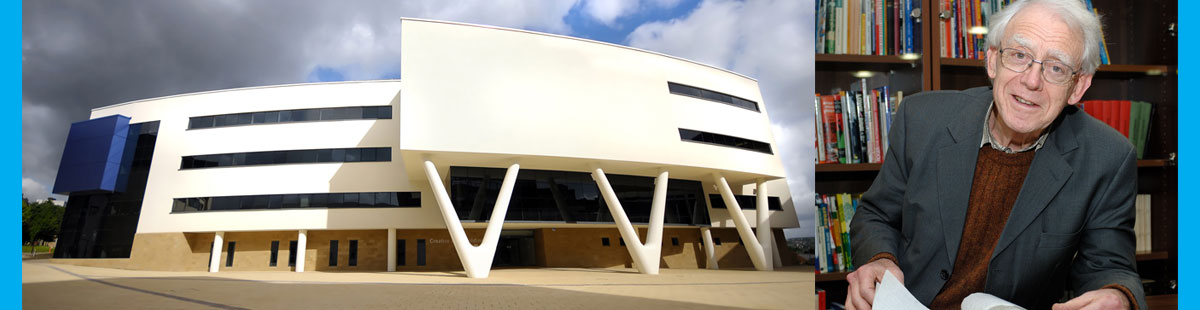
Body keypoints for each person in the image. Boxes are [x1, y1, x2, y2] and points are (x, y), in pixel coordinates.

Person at [844, 0, 1146, 309]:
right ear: (992, 61)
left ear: (1078, 87)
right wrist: (879, 259)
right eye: (1019, 55)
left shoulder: (1108, 157)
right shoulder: (921, 118)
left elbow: (1109, 266)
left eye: (1056, 67)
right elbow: (875, 215)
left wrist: (1119, 296)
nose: (1031, 81)